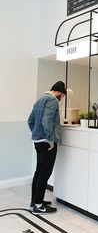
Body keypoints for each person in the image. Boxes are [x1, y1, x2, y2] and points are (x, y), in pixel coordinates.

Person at [28, 81, 66, 215]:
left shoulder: (39, 100)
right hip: (47, 143)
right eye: (62, 97)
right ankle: (38, 206)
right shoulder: (52, 100)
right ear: (59, 93)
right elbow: (47, 120)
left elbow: (30, 121)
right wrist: (49, 139)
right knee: (44, 173)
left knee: (39, 172)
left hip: (38, 141)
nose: (61, 99)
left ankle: (35, 201)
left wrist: (37, 134)